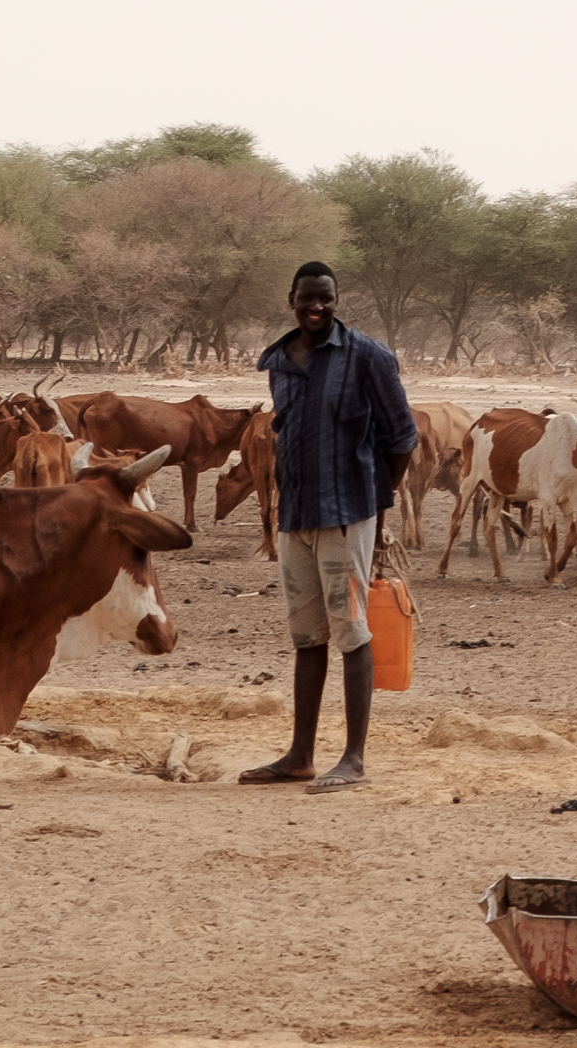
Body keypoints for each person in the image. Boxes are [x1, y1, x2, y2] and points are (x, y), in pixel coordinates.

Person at [237, 261, 417, 794]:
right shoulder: (280, 361)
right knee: (306, 635)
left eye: (326, 298)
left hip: (347, 512)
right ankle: (300, 756)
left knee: (352, 631)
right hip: (295, 515)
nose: (316, 307)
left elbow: (401, 438)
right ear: (291, 299)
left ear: (337, 300)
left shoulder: (368, 356)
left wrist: (379, 505)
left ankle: (354, 759)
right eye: (306, 298)